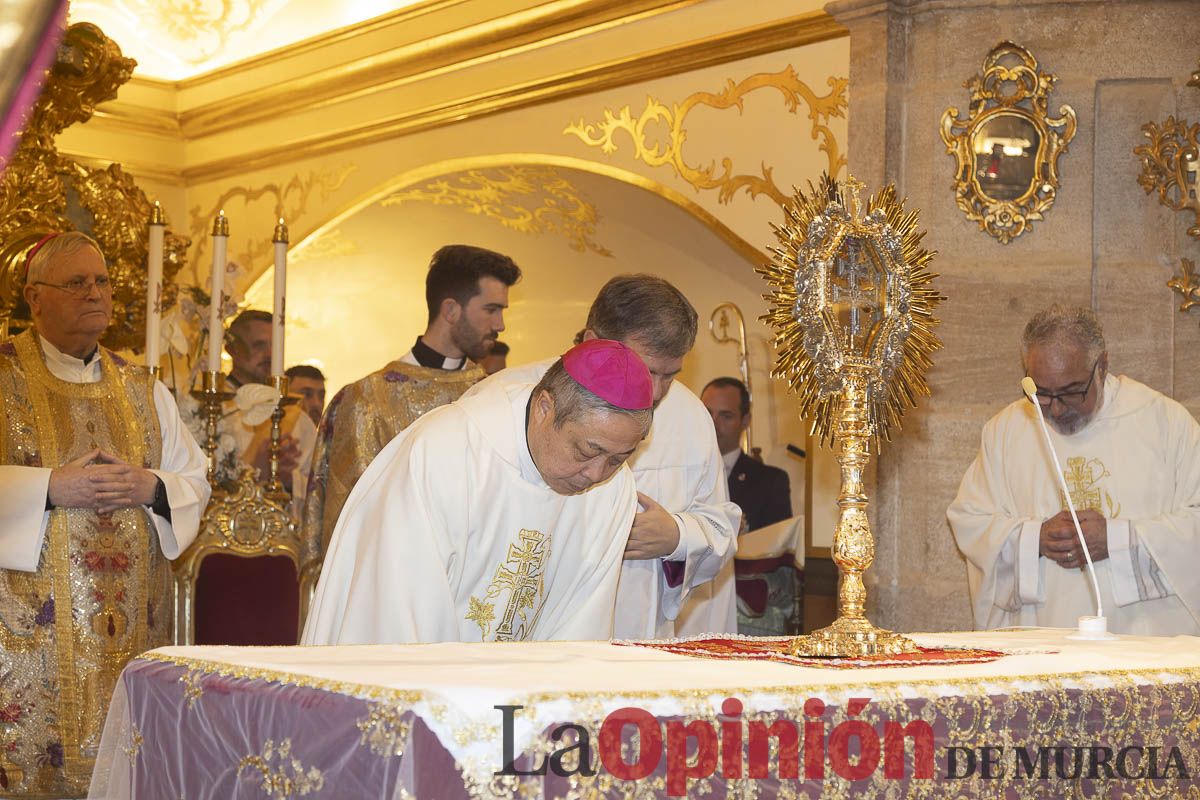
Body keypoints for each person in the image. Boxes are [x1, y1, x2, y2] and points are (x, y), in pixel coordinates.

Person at [0, 231, 209, 796]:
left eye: (101, 282)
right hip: (25, 641)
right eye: (76, 283)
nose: (95, 293)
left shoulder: (143, 387)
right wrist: (46, 488)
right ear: (34, 297)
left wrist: (152, 484)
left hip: (130, 631)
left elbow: (195, 480)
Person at [302, 339, 653, 644]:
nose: (596, 474)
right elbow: (397, 612)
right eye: (585, 451)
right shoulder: (445, 453)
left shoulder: (613, 491)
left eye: (617, 459)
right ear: (546, 408)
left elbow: (582, 626)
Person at [464, 275, 740, 638]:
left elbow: (720, 527)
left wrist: (677, 535)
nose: (654, 392)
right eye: (645, 368)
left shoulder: (690, 417)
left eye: (669, 375)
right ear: (593, 342)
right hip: (532, 633)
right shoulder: (505, 399)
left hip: (638, 631)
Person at [949, 305, 1200, 635]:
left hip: (1143, 642)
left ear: (1102, 366)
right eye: (1041, 392)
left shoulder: (1166, 423)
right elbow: (970, 521)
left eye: (1070, 391)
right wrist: (1034, 538)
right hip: (1042, 643)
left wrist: (1116, 539)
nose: (1055, 407)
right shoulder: (1005, 431)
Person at [302, 244, 521, 557]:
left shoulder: (494, 397)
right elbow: (350, 518)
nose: (500, 325)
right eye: (491, 309)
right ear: (450, 310)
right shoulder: (369, 399)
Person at [701, 377, 794, 633]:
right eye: (707, 413)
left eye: (726, 416)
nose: (714, 424)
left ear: (745, 421)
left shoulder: (769, 480)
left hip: (745, 604)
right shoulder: (680, 474)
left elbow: (776, 549)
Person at [224, 309, 317, 504]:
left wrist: (287, 479)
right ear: (231, 349)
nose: (268, 355)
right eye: (259, 345)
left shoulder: (295, 416)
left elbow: (319, 486)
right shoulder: (208, 409)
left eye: (274, 347)